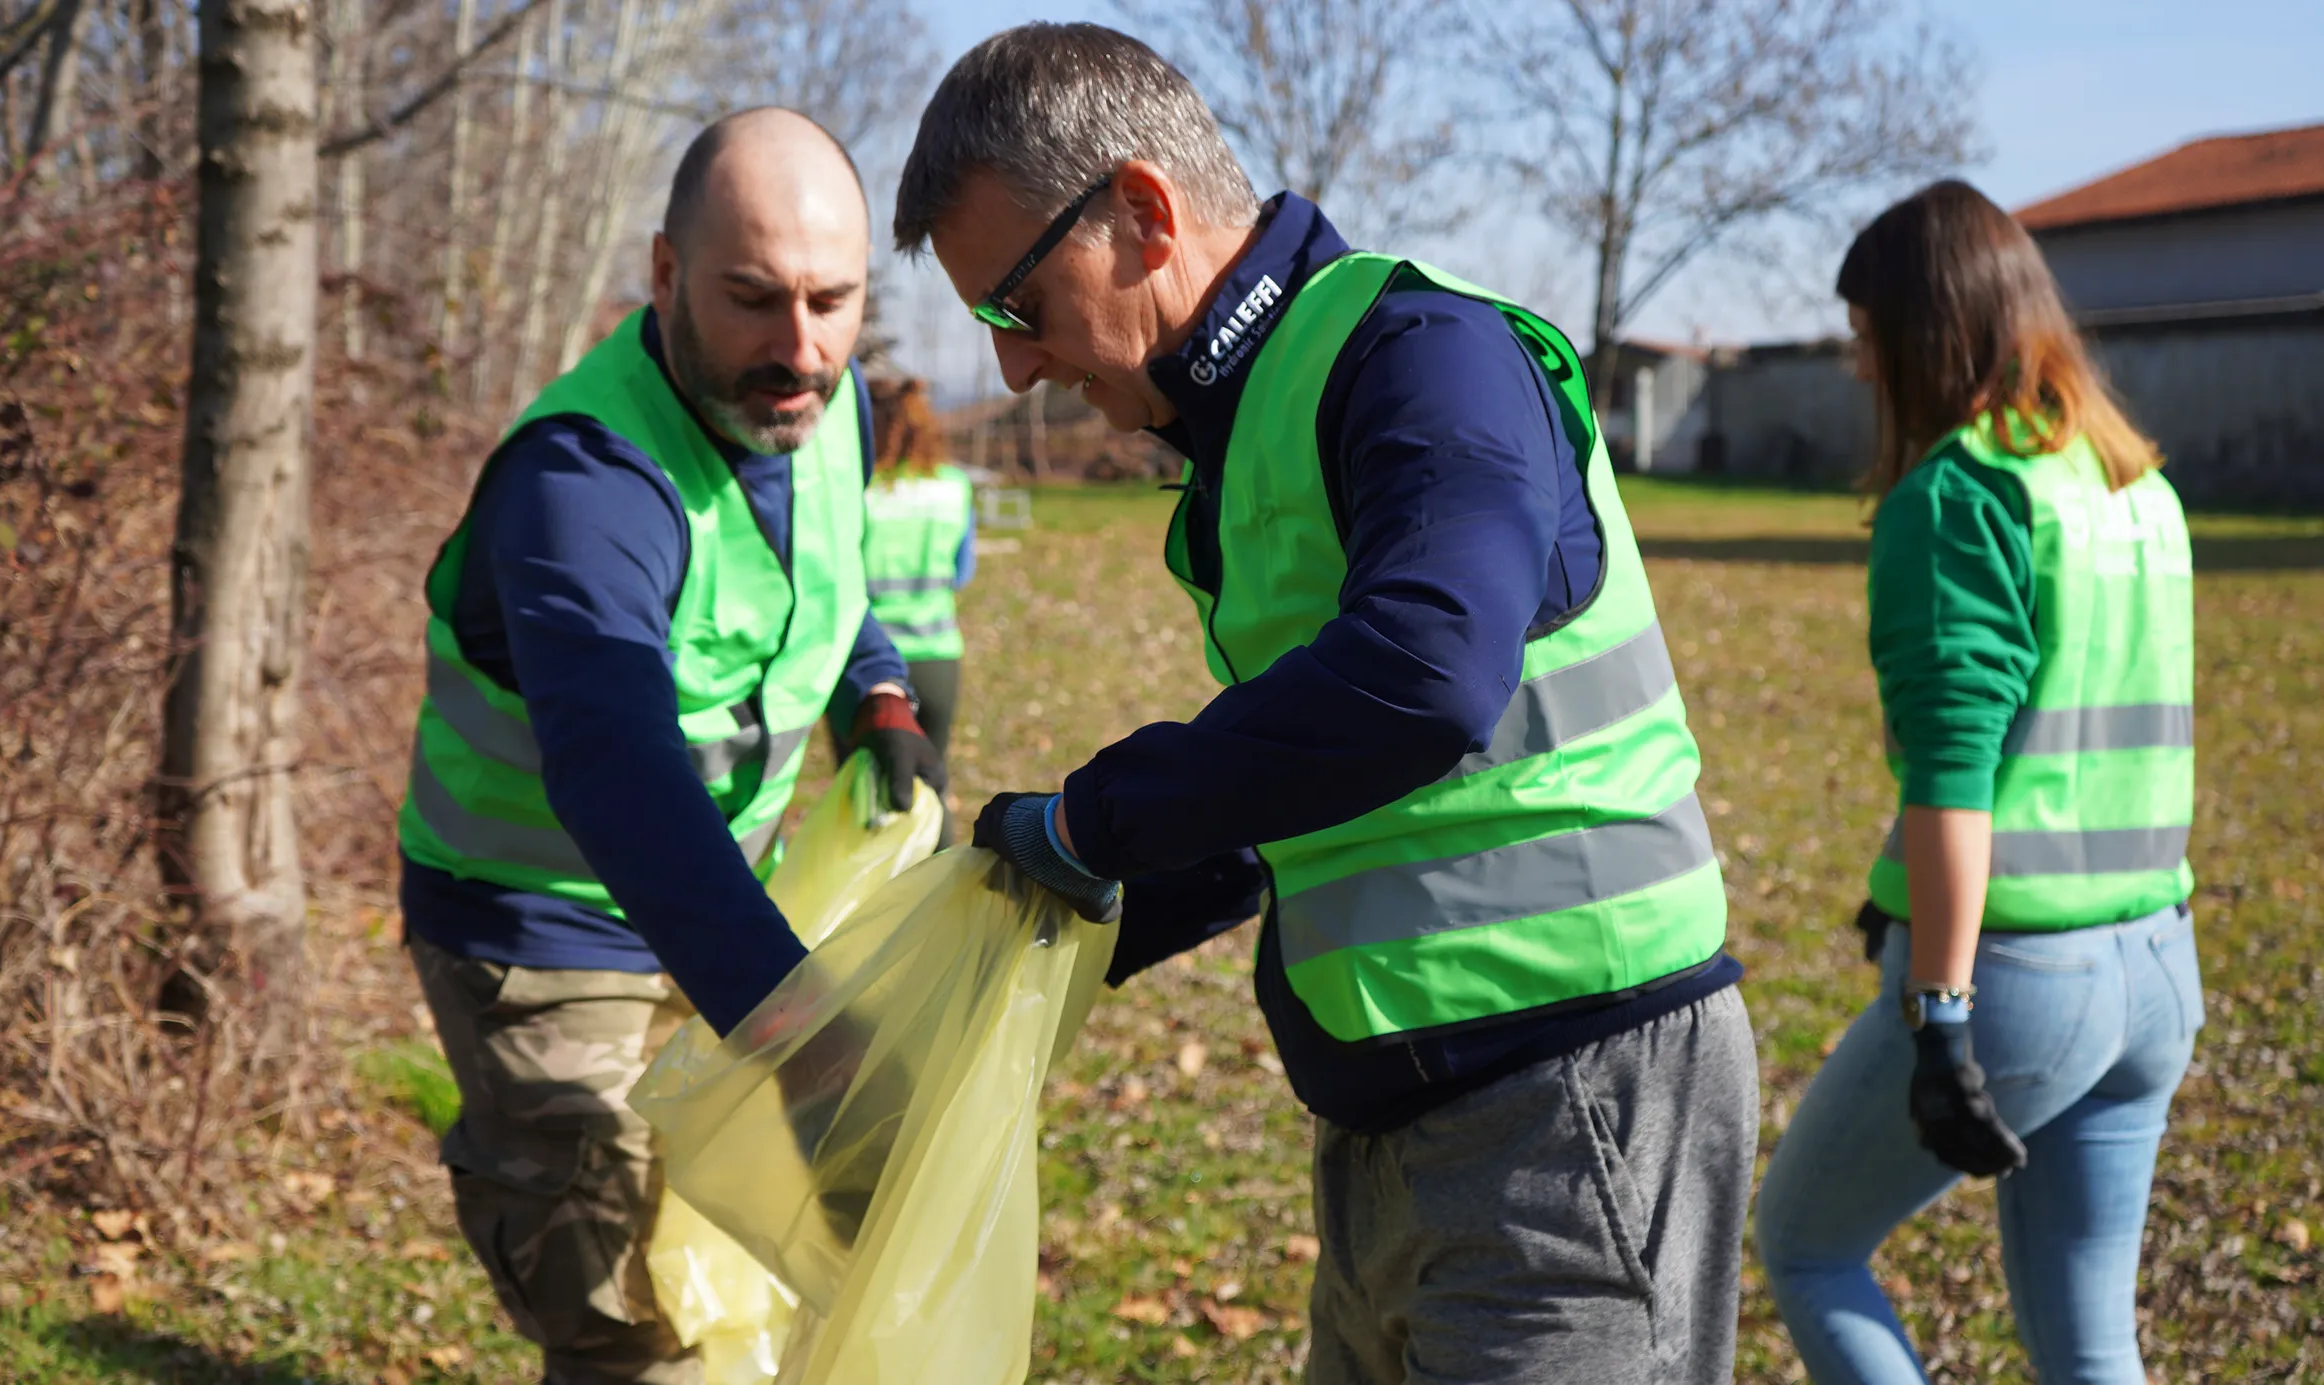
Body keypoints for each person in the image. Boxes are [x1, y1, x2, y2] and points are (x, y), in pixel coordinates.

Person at [894, 24, 1758, 1384]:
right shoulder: (1257, 428)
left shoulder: (1424, 358)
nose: (1012, 369)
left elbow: (1424, 677)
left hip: (1566, 1108)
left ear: (1140, 211)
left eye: (1016, 308)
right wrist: (1064, 912)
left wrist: (1102, 818)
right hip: (1395, 1130)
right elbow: (1317, 788)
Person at [396, 108, 945, 1385]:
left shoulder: (831, 406)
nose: (798, 349)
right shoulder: (585, 481)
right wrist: (797, 1022)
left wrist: (879, 695)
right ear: (662, 274)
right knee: (624, 1311)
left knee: (746, 1240)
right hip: (542, 934)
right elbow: (617, 766)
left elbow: (827, 576)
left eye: (832, 300)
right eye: (751, 299)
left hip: (711, 901)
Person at [1753, 181, 2202, 1385]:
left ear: (1925, 329)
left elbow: (1959, 777)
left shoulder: (1959, 495)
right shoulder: (2132, 486)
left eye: (1865, 334)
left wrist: (1940, 1015)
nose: (1857, 365)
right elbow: (2061, 742)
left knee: (1802, 1241)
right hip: (2158, 963)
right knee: (2092, 1336)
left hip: (2015, 981)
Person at [837, 374, 974, 843]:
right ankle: (939, 896)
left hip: (862, 667)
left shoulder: (854, 494)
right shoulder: (953, 488)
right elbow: (962, 571)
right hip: (937, 656)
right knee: (931, 784)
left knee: (861, 793)